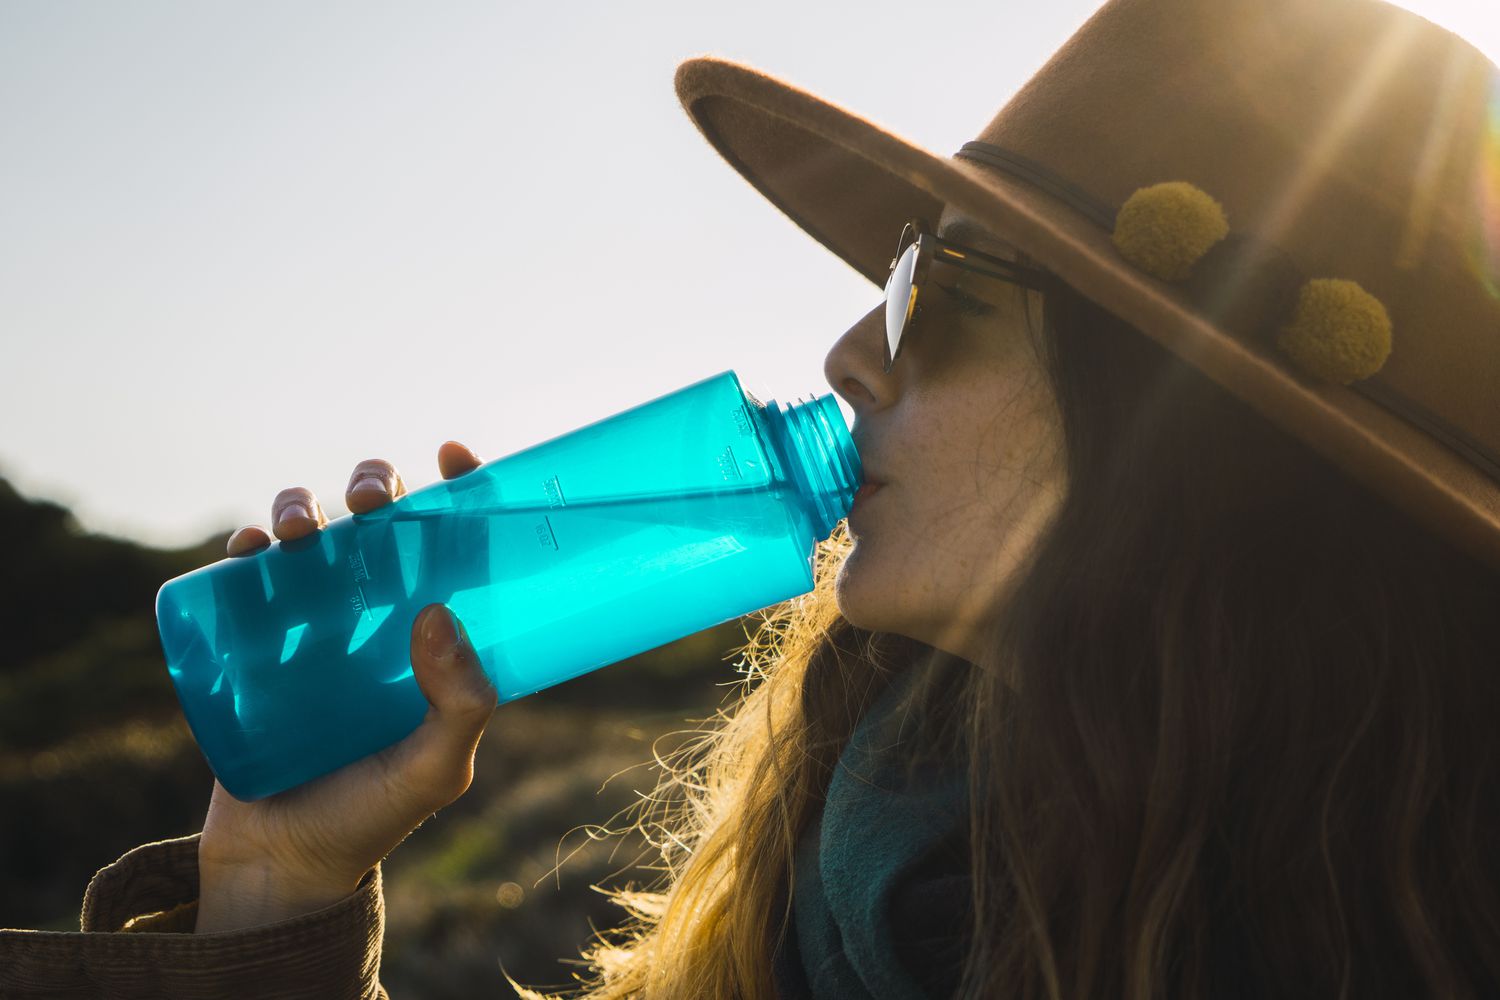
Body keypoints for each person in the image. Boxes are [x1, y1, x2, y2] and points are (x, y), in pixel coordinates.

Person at [5, 0, 1500, 995]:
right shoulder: (854, 854)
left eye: (947, 294)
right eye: (893, 273)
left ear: (1187, 429)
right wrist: (284, 884)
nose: (853, 348)